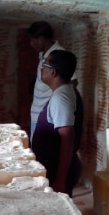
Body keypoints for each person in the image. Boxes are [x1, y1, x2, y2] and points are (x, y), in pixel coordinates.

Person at [31, 50, 83, 197]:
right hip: (53, 168)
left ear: (53, 72)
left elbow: (67, 139)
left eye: (44, 64)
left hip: (56, 171)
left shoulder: (61, 98)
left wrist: (60, 180)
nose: (41, 68)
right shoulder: (64, 92)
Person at [28, 21, 77, 142]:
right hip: (37, 114)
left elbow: (72, 81)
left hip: (48, 116)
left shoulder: (58, 55)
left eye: (33, 40)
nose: (31, 44)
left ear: (41, 39)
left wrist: (56, 102)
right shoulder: (43, 54)